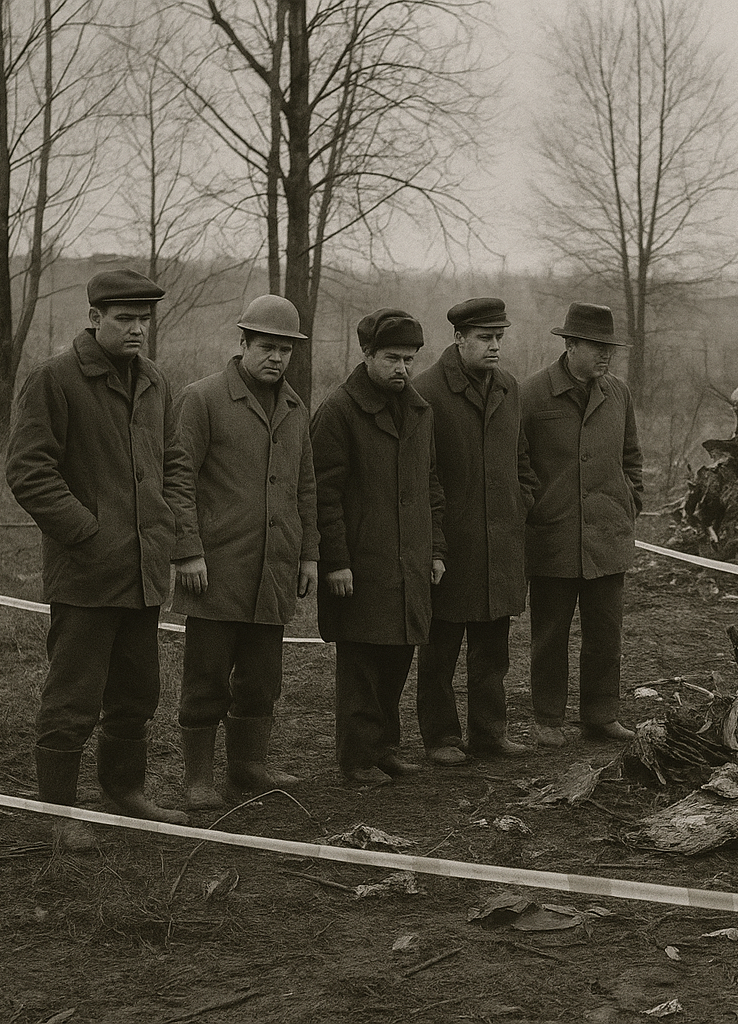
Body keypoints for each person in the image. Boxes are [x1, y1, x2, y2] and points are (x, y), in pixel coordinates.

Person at [6, 269, 193, 849]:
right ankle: (59, 814)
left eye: (144, 320)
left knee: (136, 694)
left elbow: (174, 462)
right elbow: (28, 470)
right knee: (73, 698)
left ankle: (124, 793)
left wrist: (165, 524)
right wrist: (87, 532)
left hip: (143, 572)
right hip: (86, 574)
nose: (137, 329)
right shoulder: (55, 379)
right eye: (124, 319)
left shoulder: (155, 381)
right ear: (94, 318)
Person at [169, 295, 318, 809]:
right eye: (267, 347)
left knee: (262, 679)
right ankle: (198, 779)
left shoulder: (295, 408)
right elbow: (179, 479)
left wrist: (308, 554)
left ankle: (249, 766)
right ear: (243, 343)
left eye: (285, 349)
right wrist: (187, 550)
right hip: (215, 569)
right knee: (206, 679)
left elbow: (305, 487)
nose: (276, 358)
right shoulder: (202, 399)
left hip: (274, 567)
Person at [310, 309, 445, 784]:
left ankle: (384, 747)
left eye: (409, 359)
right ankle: (357, 758)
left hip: (409, 562)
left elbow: (430, 485)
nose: (402, 368)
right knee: (362, 664)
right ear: (366, 354)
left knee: (396, 658)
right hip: (361, 565)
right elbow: (323, 495)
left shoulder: (419, 411)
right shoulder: (338, 410)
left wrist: (436, 550)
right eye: (391, 358)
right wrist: (336, 562)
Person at [412, 298, 537, 765]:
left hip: (500, 545)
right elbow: (421, 474)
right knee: (439, 651)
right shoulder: (427, 391)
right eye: (485, 337)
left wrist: (521, 502)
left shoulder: (508, 387)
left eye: (499, 337)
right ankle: (441, 737)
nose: (495, 346)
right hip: (450, 546)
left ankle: (489, 733)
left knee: (492, 651)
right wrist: (433, 541)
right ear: (459, 338)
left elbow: (521, 457)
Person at [522, 302, 643, 746]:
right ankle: (547, 718)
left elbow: (631, 457)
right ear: (570, 345)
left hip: (607, 538)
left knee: (605, 634)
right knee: (550, 634)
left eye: (609, 347)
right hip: (552, 537)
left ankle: (601, 715)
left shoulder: (619, 394)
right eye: (596, 346)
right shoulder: (532, 394)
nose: (605, 355)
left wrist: (628, 503)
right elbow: (518, 463)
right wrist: (534, 511)